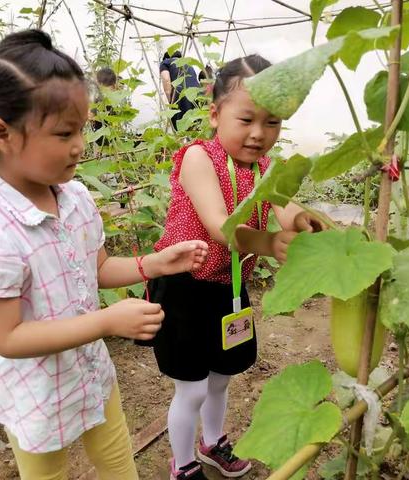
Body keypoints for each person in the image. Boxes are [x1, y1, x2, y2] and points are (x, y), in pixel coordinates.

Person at [0, 29, 208, 480]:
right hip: (36, 393)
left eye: (82, 127)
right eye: (63, 132)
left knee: (118, 462)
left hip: (91, 375)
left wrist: (153, 264)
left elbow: (94, 268)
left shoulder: (74, 197)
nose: (80, 144)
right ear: (0, 133)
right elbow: (6, 337)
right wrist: (105, 322)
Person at [149, 54, 325, 480]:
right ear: (214, 114)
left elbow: (285, 208)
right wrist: (269, 243)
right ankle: (183, 464)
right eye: (246, 119)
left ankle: (212, 444)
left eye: (273, 122)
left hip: (227, 287)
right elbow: (220, 227)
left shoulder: (265, 168)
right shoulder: (198, 158)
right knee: (190, 388)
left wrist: (302, 220)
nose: (258, 134)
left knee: (221, 378)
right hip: (183, 285)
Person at [160, 50, 200, 131]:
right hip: (197, 94)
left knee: (180, 128)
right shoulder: (189, 65)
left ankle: (184, 143)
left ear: (166, 57)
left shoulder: (165, 62)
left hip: (181, 94)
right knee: (196, 126)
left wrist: (171, 102)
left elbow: (166, 79)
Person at [91, 67, 117, 147]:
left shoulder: (115, 102)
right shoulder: (97, 102)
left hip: (112, 141)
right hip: (101, 141)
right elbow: (91, 116)